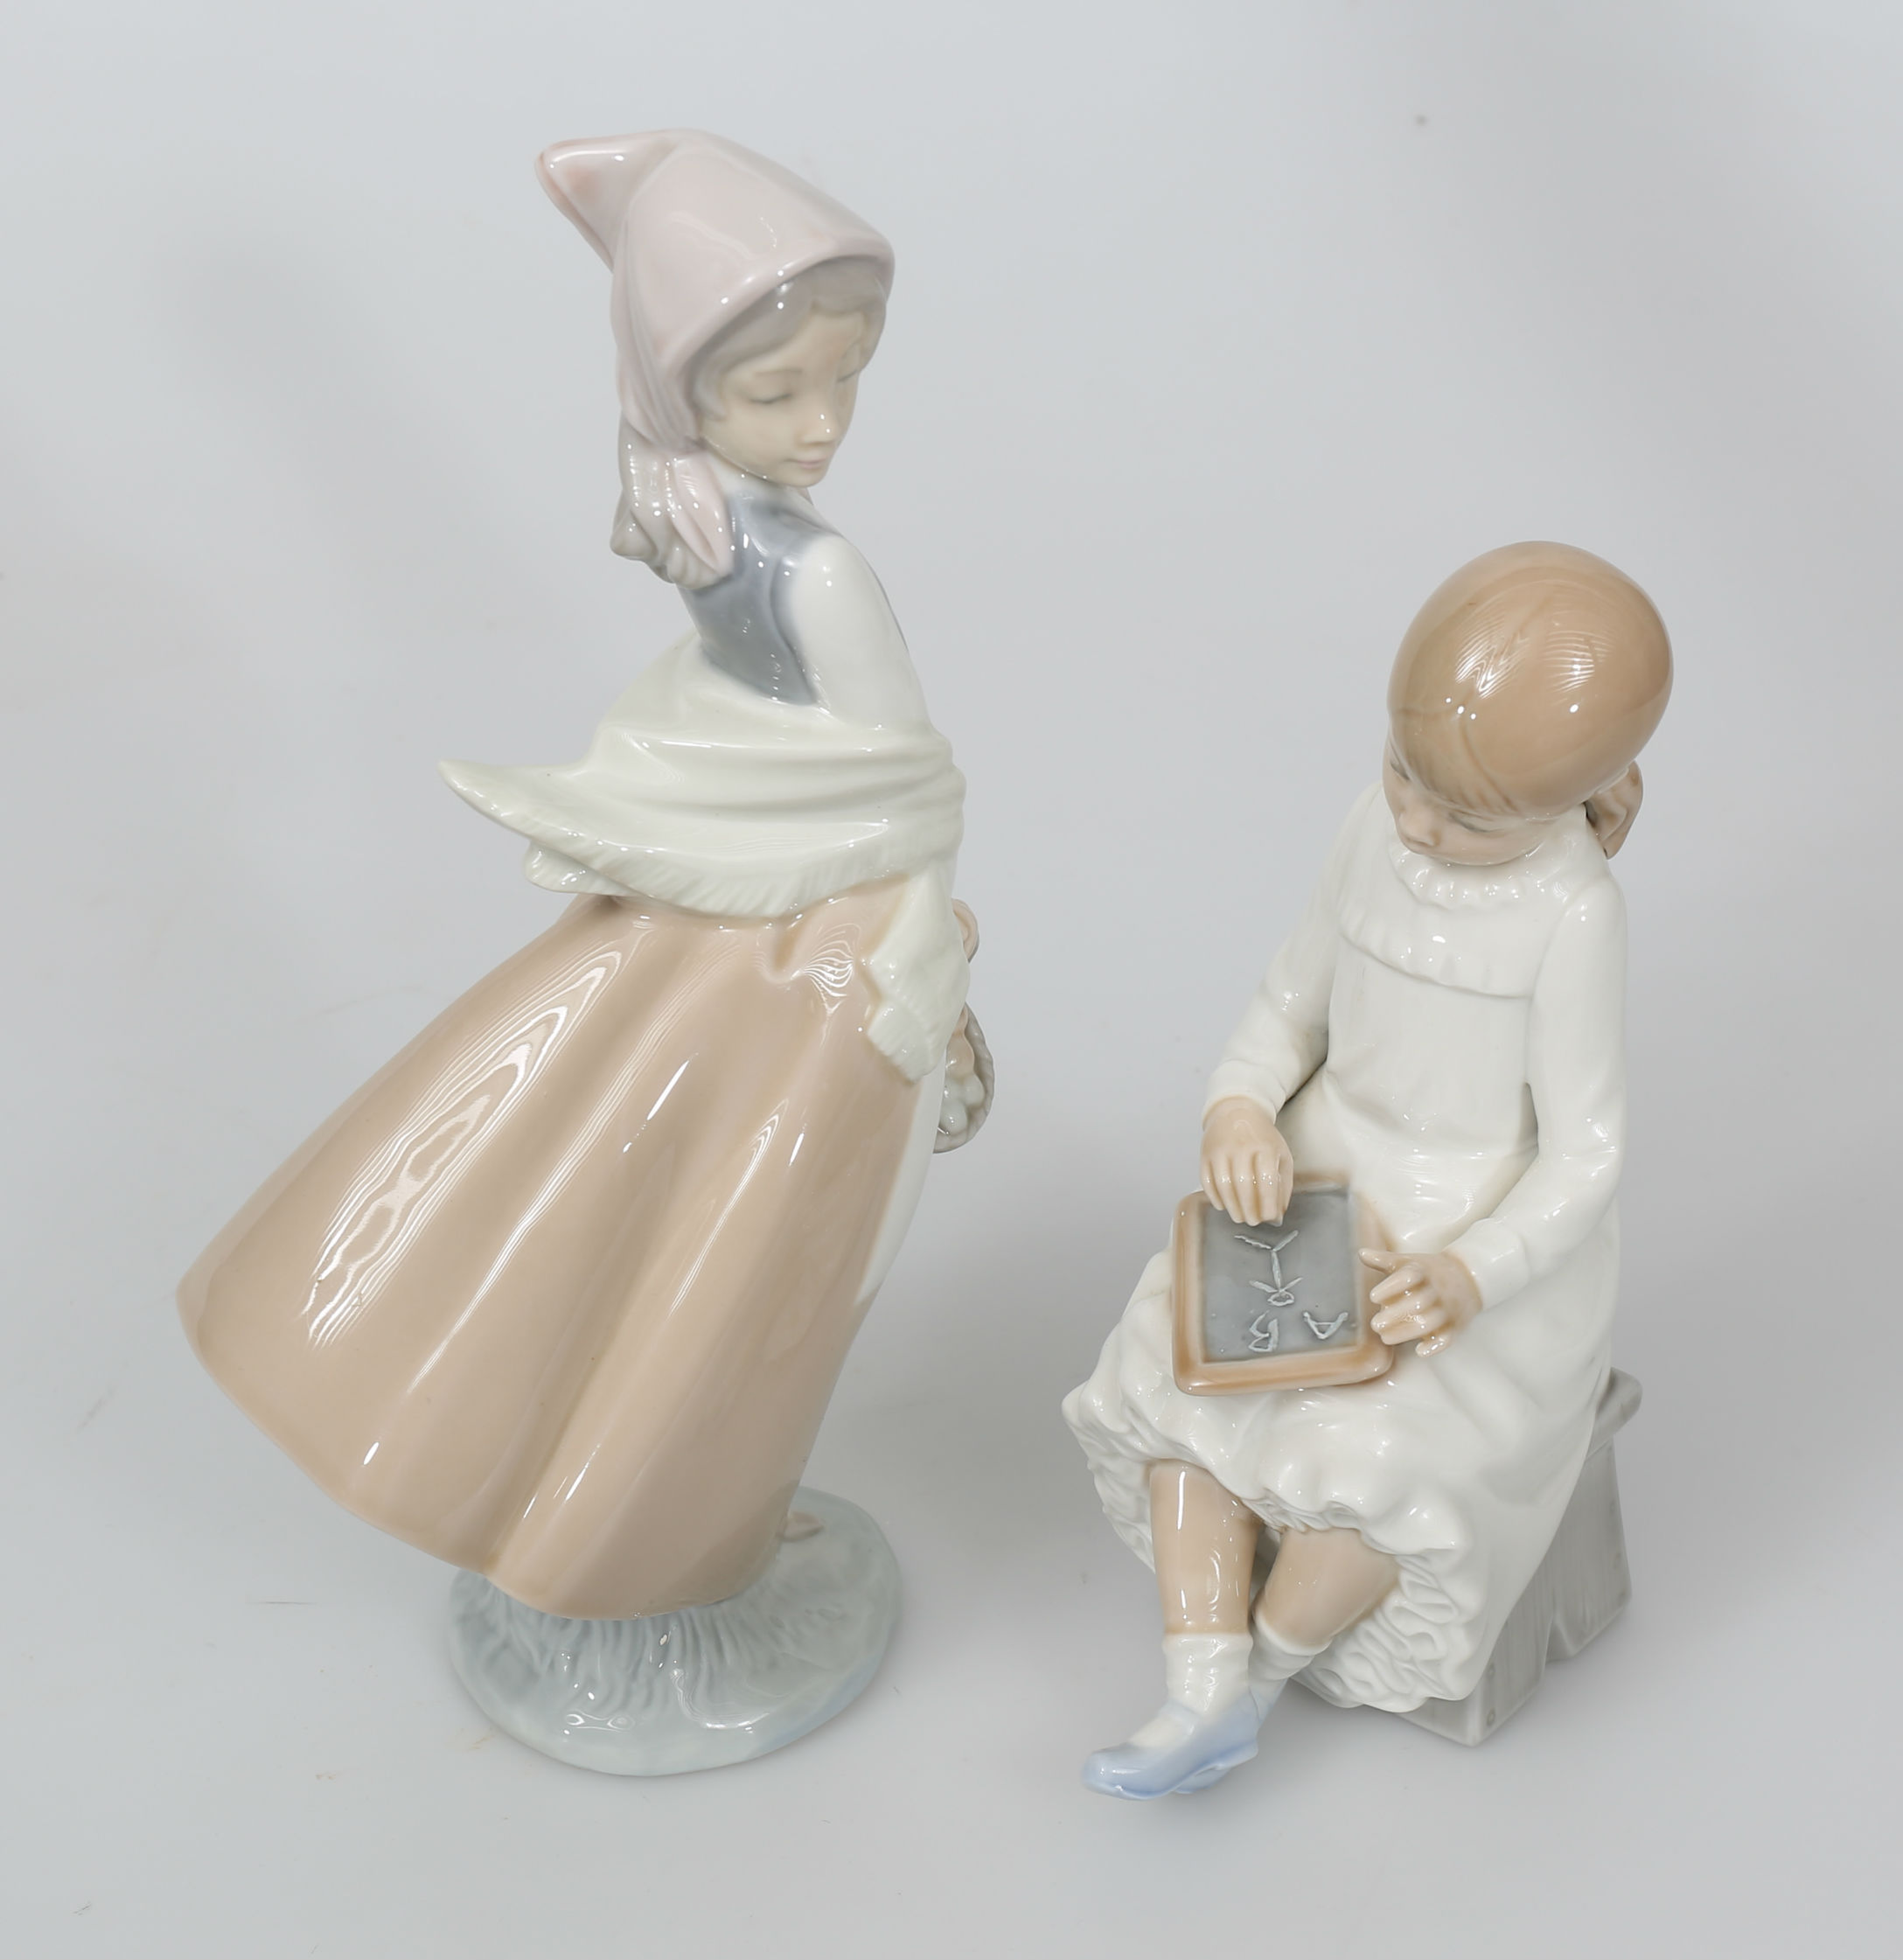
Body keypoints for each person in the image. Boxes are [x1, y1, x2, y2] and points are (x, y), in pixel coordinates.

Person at [180, 131, 985, 1621]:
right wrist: (928, 968)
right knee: (760, 1250)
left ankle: (585, 1482)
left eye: (846, 377)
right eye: (778, 390)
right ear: (684, 393)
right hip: (822, 950)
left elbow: (779, 728)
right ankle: (655, 1532)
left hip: (717, 911)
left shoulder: (689, 510)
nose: (823, 423)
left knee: (613, 1197)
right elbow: (906, 789)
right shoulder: (817, 572)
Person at [1063, 541, 1671, 1797]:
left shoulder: (1572, 913)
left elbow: (1587, 1151)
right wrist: (1242, 1107)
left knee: (1382, 1465)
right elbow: (1290, 1006)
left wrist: (1473, 1271)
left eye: (1467, 819)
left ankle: (1260, 1678)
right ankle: (1196, 1680)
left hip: (1466, 1237)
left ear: (1568, 802)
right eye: (1403, 775)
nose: (1417, 823)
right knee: (1185, 1388)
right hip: (1321, 1179)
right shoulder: (1371, 832)